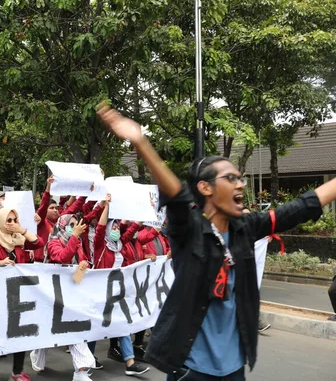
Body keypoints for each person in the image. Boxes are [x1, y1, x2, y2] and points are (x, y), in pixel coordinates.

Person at [97, 101, 336, 380]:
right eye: (230, 178)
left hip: (234, 369)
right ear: (205, 188)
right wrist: (140, 142)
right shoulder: (189, 231)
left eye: (240, 178)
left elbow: (301, 206)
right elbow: (176, 195)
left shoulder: (246, 227)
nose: (240, 184)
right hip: (192, 370)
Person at [0, 207, 44, 381]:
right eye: (8, 220)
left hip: (18, 294)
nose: (11, 224)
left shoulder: (19, 239)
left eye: (14, 220)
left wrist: (21, 230)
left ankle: (17, 372)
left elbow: (39, 243)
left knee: (20, 332)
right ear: (0, 221)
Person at [31, 214, 95, 381]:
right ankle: (37, 355)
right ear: (62, 225)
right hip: (52, 296)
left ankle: (80, 370)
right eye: (71, 224)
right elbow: (62, 257)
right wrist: (75, 237)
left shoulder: (78, 244)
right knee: (47, 329)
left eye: (76, 225)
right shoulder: (52, 243)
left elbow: (80, 265)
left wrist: (84, 265)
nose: (75, 227)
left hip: (71, 295)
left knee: (74, 328)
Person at [92, 194, 150, 376]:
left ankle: (130, 362)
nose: (116, 228)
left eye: (118, 226)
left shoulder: (120, 243)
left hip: (117, 292)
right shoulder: (100, 244)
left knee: (122, 323)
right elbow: (100, 227)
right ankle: (88, 357)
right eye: (114, 226)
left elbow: (133, 228)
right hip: (100, 292)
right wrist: (107, 206)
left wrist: (145, 209)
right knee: (94, 328)